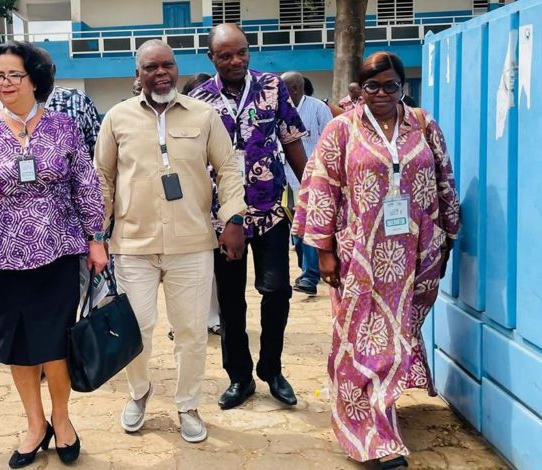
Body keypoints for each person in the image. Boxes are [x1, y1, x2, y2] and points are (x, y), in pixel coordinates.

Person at [292, 52, 460, 469]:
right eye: (372, 86)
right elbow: (322, 187)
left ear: (402, 86)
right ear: (360, 88)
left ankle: (383, 404)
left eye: (390, 86)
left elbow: (445, 179)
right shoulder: (341, 129)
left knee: (397, 336)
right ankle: (371, 436)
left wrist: (449, 235)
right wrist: (324, 252)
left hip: (417, 253)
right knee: (362, 340)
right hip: (362, 256)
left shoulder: (422, 124)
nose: (381, 94)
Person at [0, 41, 106, 468]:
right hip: (0, 254)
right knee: (17, 344)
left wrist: (96, 239)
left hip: (57, 250)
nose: (4, 83)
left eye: (13, 75)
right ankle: (35, 424)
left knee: (53, 343)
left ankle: (62, 419)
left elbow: (86, 185)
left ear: (35, 79)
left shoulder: (63, 127)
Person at [94, 39, 246, 443]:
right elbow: (102, 177)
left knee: (192, 331)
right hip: (133, 244)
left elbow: (228, 168)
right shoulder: (118, 118)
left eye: (168, 65)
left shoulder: (204, 114)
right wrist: (97, 233)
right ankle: (139, 393)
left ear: (176, 68)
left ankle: (188, 405)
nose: (161, 73)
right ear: (138, 74)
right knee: (137, 329)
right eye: (151, 67)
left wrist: (233, 216)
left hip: (192, 243)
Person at [189, 24, 307, 411]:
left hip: (270, 211)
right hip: (224, 219)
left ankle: (271, 369)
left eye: (242, 52)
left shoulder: (272, 87)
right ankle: (239, 377)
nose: (236, 60)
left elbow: (291, 141)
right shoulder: (199, 99)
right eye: (225, 55)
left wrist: (311, 193)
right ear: (212, 58)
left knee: (277, 292)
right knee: (230, 302)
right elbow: (194, 161)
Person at [168, 72, 221, 342]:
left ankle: (213, 317)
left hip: (215, 206)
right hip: (184, 207)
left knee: (210, 271)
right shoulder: (171, 121)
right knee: (178, 273)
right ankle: (179, 323)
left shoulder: (209, 119)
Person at [281, 71, 333, 296]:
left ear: (295, 89)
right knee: (297, 228)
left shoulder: (318, 108)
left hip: (314, 179)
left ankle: (309, 276)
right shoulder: (279, 109)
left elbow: (331, 141)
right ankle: (308, 269)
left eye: (283, 88)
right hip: (286, 178)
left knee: (310, 225)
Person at [37, 49, 101, 159]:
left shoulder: (77, 100)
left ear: (53, 70)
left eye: (42, 69)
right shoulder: (16, 105)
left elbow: (97, 146)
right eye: (33, 70)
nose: (39, 75)